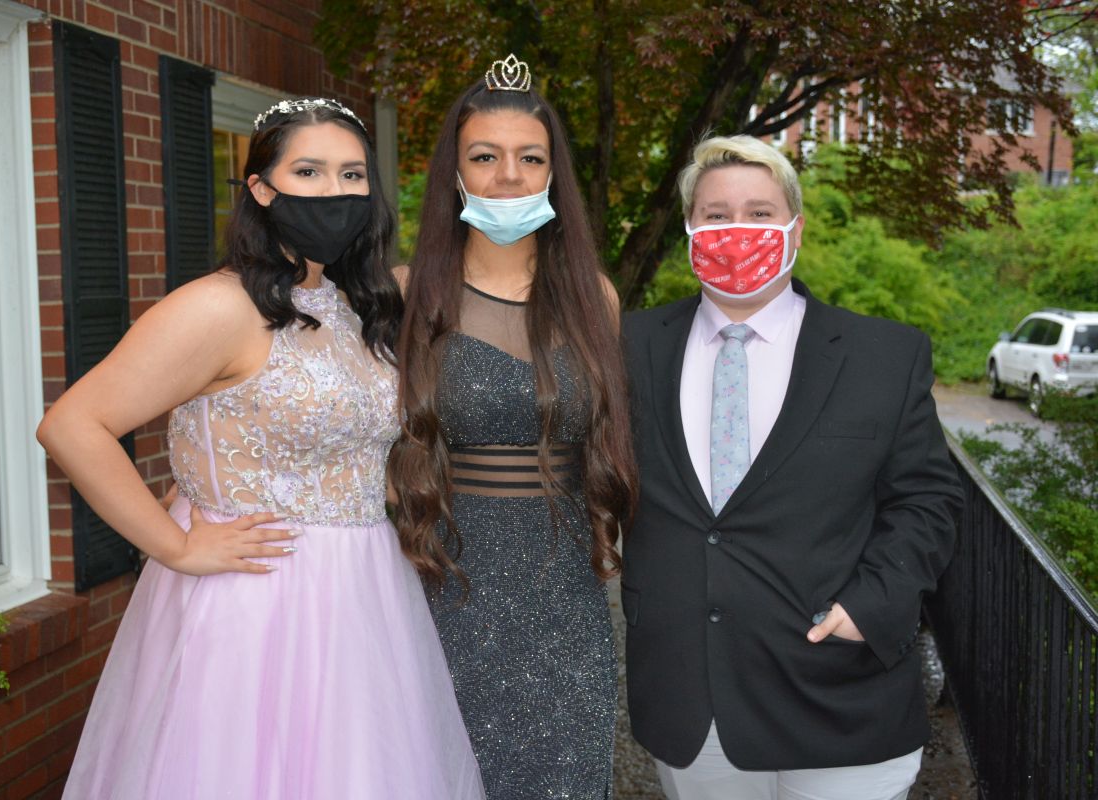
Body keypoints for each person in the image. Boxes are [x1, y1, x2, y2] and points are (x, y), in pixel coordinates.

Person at [38, 97, 483, 800]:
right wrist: (176, 545)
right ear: (261, 188)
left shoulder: (356, 307)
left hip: (365, 597)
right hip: (257, 597)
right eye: (309, 171)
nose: (334, 191)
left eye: (352, 175)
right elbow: (72, 424)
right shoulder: (218, 306)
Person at [621, 134, 963, 800]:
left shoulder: (883, 355)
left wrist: (873, 604)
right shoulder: (627, 347)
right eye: (716, 215)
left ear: (795, 229)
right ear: (690, 230)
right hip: (692, 701)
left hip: (841, 693)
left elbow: (927, 499)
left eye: (759, 212)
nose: (737, 230)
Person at [388, 55, 638, 799]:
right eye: (484, 157)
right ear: (453, 171)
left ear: (554, 174)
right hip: (446, 585)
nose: (508, 176)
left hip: (566, 600)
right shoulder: (404, 295)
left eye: (531, 158)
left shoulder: (594, 297)